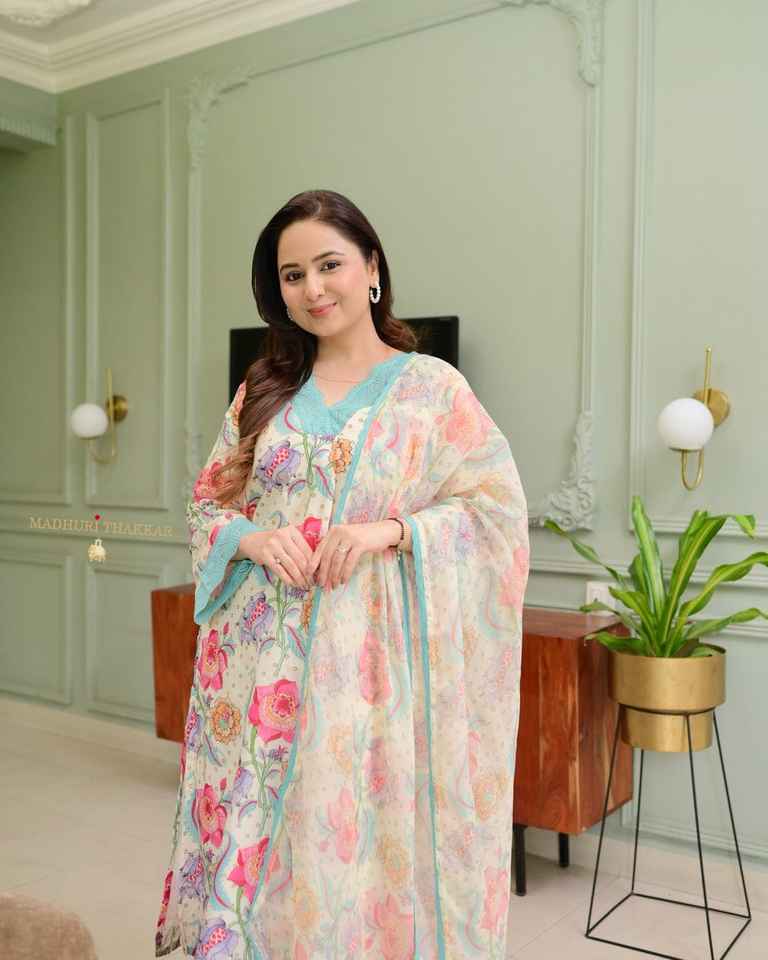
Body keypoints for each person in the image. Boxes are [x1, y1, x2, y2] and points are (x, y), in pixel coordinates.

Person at [154, 189, 529, 960]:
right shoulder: (263, 389)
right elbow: (207, 506)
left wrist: (388, 531)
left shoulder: (432, 390)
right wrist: (252, 538)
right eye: (292, 275)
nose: (313, 289)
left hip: (368, 676)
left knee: (347, 842)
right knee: (258, 843)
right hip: (254, 670)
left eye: (329, 265)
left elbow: (494, 512)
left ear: (372, 268)